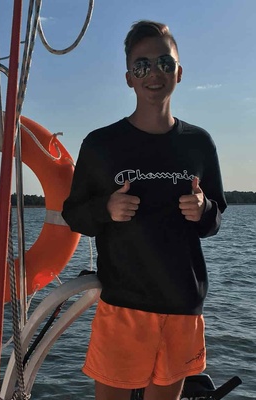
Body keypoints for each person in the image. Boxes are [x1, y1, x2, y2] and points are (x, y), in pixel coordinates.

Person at [62, 20, 227, 400]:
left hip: (182, 305)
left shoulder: (200, 144)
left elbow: (215, 218)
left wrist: (203, 209)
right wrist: (106, 207)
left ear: (179, 73)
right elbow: (74, 214)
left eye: (164, 63)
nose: (154, 73)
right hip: (124, 306)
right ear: (128, 78)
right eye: (142, 65)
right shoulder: (102, 144)